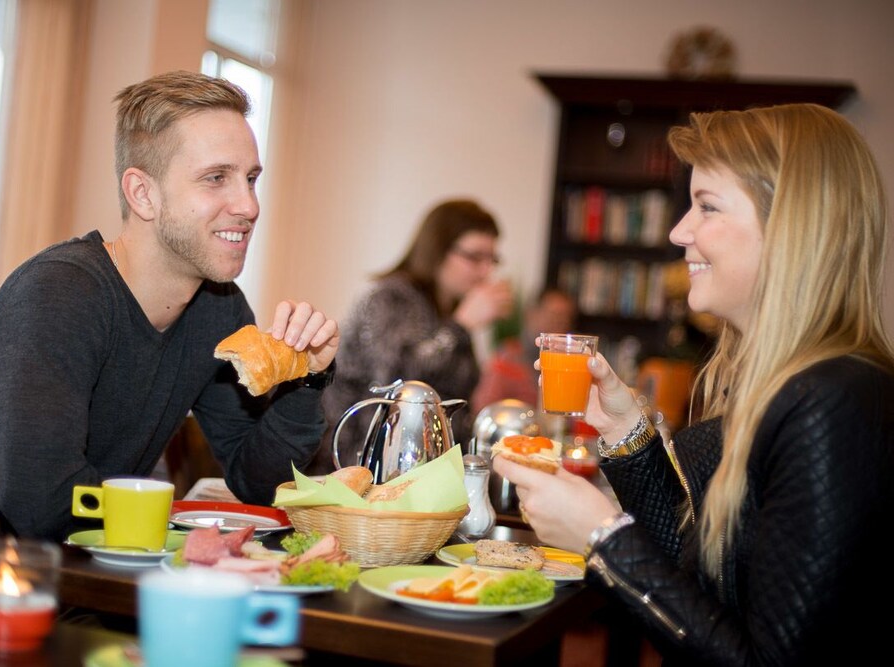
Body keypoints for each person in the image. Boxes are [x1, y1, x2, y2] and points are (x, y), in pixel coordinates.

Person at [494, 103, 894, 665]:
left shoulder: (830, 402)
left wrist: (602, 536)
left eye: (706, 206)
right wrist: (622, 427)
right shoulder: (790, 381)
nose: (679, 231)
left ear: (791, 227)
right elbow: (696, 568)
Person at [0, 71, 339, 541]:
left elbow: (257, 482)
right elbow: (42, 506)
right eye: (216, 178)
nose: (249, 205)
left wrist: (307, 378)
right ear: (143, 194)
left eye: (251, 178)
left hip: (97, 569)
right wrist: (175, 516)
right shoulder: (57, 295)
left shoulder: (218, 308)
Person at [318, 199, 513, 472]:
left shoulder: (448, 309)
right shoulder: (389, 297)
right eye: (474, 257)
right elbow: (398, 380)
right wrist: (461, 326)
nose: (486, 271)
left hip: (417, 465)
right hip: (357, 462)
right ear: (438, 250)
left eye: (491, 259)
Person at [470, 286, 577, 414]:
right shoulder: (508, 357)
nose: (559, 322)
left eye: (566, 317)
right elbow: (483, 408)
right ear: (531, 314)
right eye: (554, 315)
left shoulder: (569, 365)